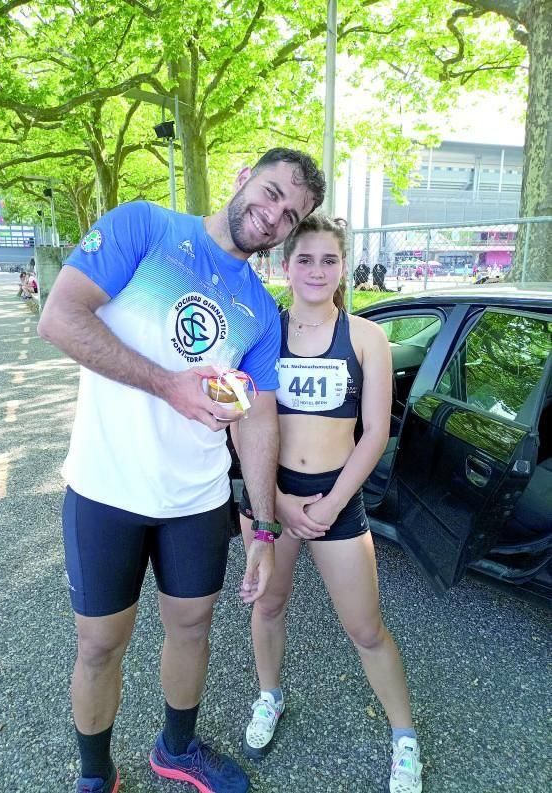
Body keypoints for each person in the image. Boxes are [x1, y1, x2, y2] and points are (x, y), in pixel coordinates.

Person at [37, 147, 326, 793]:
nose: (274, 213)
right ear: (244, 175)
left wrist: (263, 525)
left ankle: (176, 747)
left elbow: (257, 418)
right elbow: (59, 318)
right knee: (98, 645)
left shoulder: (257, 307)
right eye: (273, 191)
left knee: (192, 628)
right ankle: (95, 773)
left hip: (195, 499)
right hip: (106, 487)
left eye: (292, 211)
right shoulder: (146, 226)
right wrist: (169, 385)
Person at [234, 214, 423, 793]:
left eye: (329, 259)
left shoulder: (366, 338)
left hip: (335, 502)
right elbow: (242, 422)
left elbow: (374, 434)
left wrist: (329, 503)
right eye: (305, 259)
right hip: (269, 500)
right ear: (284, 265)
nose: (317, 270)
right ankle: (270, 695)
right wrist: (279, 504)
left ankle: (404, 738)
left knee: (366, 629)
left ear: (343, 267)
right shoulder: (262, 330)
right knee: (267, 605)